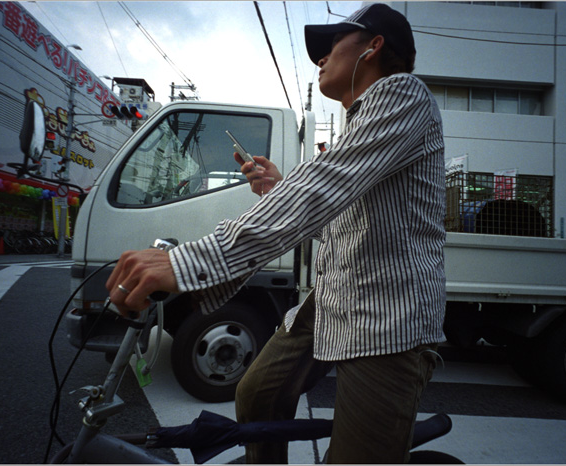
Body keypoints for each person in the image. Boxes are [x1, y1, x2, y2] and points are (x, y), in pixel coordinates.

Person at [107, 3, 446, 463]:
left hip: (386, 315)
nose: (320, 59)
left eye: (330, 46)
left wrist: (191, 261)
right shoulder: (358, 125)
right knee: (256, 394)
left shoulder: (402, 93)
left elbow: (324, 185)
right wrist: (278, 188)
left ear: (373, 46)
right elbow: (334, 216)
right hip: (335, 299)